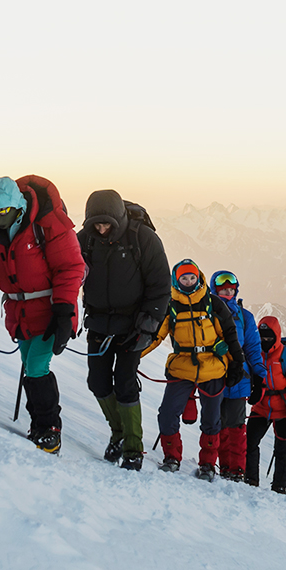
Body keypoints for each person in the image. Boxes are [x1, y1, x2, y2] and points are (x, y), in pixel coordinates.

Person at [0, 175, 84, 452]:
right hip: (19, 314)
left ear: (17, 207)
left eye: (2, 211)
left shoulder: (49, 226)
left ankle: (49, 429)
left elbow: (70, 268)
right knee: (30, 368)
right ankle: (40, 425)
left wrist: (64, 312)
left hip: (51, 311)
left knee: (36, 368)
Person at [78, 190, 170, 470]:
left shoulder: (143, 238)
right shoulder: (85, 240)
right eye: (96, 224)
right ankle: (118, 432)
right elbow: (67, 270)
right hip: (98, 323)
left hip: (134, 325)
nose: (102, 229)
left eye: (107, 224)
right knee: (98, 382)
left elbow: (160, 286)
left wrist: (148, 326)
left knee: (126, 383)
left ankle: (133, 448)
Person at [143, 260, 242, 479]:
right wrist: (132, 357)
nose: (189, 282)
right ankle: (172, 457)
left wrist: (237, 363)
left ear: (199, 278)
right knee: (168, 414)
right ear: (176, 281)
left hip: (213, 368)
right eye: (184, 278)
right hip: (182, 368)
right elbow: (156, 336)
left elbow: (229, 335)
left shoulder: (213, 303)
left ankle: (207, 464)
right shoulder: (171, 305)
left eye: (192, 278)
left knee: (212, 420)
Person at [209, 271, 266, 482]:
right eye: (223, 289)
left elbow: (253, 348)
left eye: (231, 289)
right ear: (215, 289)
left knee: (235, 426)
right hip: (214, 377)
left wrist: (259, 376)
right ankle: (224, 466)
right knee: (217, 424)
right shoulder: (207, 313)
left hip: (239, 381)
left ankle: (236, 469)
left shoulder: (245, 316)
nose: (227, 291)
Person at [245, 316, 286, 492]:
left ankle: (279, 486)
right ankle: (250, 479)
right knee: (250, 441)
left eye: (269, 336)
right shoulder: (254, 352)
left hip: (283, 409)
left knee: (282, 448)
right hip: (261, 407)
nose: (265, 340)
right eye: (262, 336)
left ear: (276, 335)